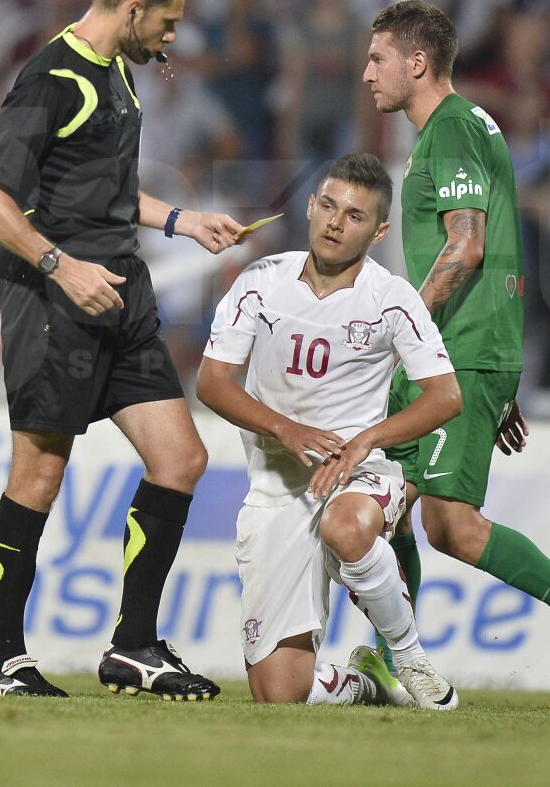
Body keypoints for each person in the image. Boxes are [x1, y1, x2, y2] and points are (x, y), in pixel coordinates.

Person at [0, 0, 245, 700]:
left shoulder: (117, 72)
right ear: (132, 9)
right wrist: (60, 264)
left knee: (181, 459)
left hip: (122, 295)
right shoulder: (52, 76)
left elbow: (105, 193)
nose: (173, 36)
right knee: (39, 474)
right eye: (170, 21)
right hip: (56, 304)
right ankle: (8, 663)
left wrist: (181, 219)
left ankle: (134, 648)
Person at [361, 0, 550, 708]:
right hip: (470, 347)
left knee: (442, 523)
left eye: (378, 59)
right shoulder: (474, 125)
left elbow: (468, 246)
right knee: (397, 507)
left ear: (416, 63)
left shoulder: (451, 130)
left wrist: (404, 327)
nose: (367, 74)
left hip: (455, 352)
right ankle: (399, 655)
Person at [196, 153, 463, 709]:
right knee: (278, 693)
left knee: (347, 527)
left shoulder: (392, 298)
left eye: (356, 215)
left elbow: (446, 396)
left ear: (379, 229)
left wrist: (367, 440)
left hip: (358, 474)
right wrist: (285, 429)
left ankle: (408, 655)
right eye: (328, 206)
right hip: (278, 494)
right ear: (312, 207)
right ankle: (366, 685)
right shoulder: (261, 282)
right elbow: (212, 382)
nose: (337, 222)